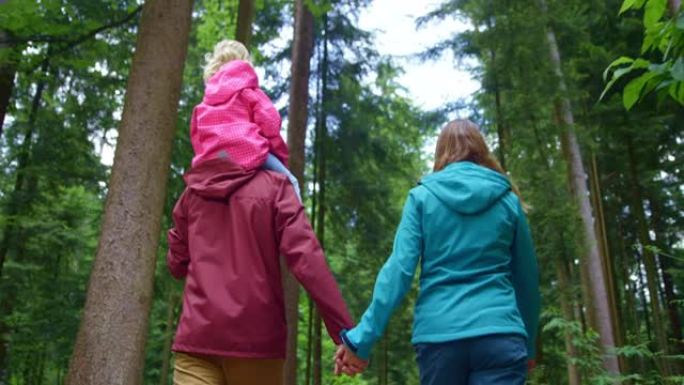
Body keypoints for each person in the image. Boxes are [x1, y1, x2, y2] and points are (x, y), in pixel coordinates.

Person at [166, 41, 354, 385]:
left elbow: (176, 262)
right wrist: (346, 333)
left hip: (197, 339)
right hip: (255, 343)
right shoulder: (276, 188)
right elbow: (307, 261)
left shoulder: (191, 196)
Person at [336, 119, 541, 385]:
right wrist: (530, 345)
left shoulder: (422, 198)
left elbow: (398, 271)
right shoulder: (507, 200)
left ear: (441, 151)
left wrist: (361, 339)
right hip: (500, 334)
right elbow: (527, 281)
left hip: (439, 338)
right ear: (481, 150)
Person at [190, 39, 300, 199]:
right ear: (244, 61)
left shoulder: (203, 106)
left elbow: (197, 140)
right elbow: (271, 121)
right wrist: (278, 151)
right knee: (291, 183)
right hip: (247, 152)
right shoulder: (248, 90)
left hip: (212, 162)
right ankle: (298, 224)